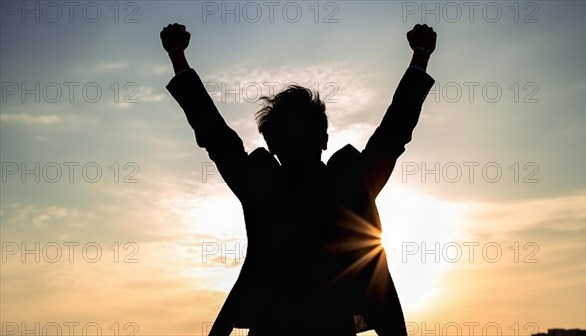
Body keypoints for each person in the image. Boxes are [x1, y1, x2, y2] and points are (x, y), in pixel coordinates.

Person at [161, 23, 437, 336]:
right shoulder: (349, 182)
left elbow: (214, 133)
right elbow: (394, 130)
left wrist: (178, 57)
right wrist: (421, 56)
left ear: (271, 144)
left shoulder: (262, 186)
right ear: (325, 139)